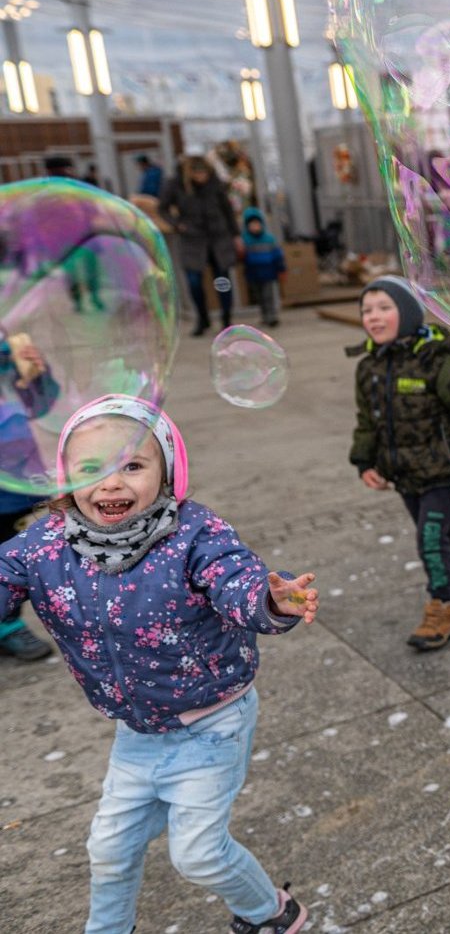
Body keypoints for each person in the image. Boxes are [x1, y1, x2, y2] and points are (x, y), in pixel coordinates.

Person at [0, 395, 320, 934]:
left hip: (212, 723)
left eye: (132, 464)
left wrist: (270, 600)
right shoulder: (44, 545)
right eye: (91, 469)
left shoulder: (194, 534)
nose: (111, 483)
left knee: (197, 854)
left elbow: (234, 579)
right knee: (107, 849)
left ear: (167, 472)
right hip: (138, 732)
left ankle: (273, 912)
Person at [350, 276, 450, 652]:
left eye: (384, 307)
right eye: (367, 310)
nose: (374, 316)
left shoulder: (435, 361)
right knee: (441, 532)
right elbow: (367, 420)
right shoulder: (368, 367)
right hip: (402, 474)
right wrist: (364, 461)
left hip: (440, 471)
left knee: (430, 538)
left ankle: (441, 608)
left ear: (406, 313)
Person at [0, 336, 57, 662]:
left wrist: (39, 375)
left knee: (12, 560)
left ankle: (8, 625)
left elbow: (42, 404)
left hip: (18, 479)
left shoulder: (10, 356)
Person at [158, 155, 239, 337]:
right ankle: (203, 318)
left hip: (218, 237)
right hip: (192, 239)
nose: (202, 177)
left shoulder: (215, 184)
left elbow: (227, 209)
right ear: (190, 173)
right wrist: (177, 224)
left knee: (222, 281)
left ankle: (226, 319)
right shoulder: (175, 185)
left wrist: (235, 235)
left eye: (204, 173)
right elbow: (162, 208)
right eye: (198, 173)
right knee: (194, 281)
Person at [240, 207, 286, 327]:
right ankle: (265, 315)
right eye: (252, 224)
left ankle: (271, 316)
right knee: (259, 296)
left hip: (268, 272)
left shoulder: (269, 239)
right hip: (253, 273)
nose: (255, 227)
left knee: (268, 295)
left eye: (257, 224)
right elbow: (242, 258)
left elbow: (278, 255)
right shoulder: (245, 240)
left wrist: (281, 269)